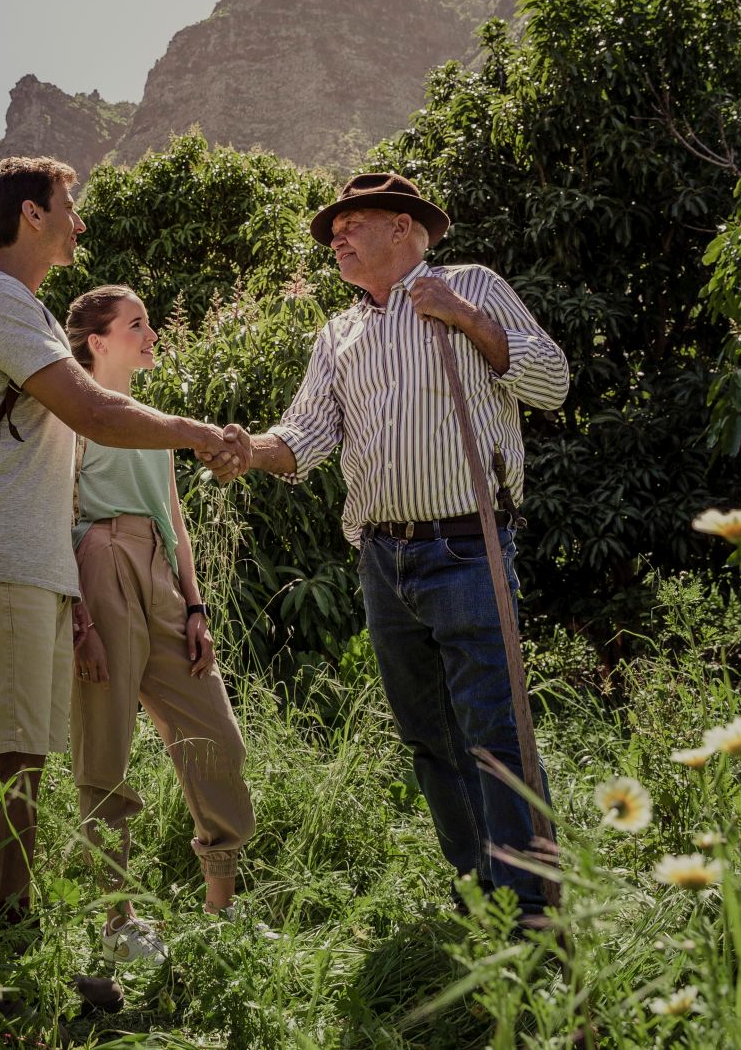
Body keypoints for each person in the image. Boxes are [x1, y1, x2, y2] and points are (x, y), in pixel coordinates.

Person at [233, 172, 569, 924]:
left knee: (497, 733)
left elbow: (552, 381)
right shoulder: (338, 332)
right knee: (429, 738)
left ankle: (535, 910)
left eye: (350, 224)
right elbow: (309, 432)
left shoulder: (471, 283)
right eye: (333, 232)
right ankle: (477, 890)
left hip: (469, 546)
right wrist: (250, 449)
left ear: (403, 226)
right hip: (383, 560)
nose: (336, 240)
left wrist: (466, 317)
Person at [0, 156, 250, 940]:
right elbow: (94, 415)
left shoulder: (29, 311)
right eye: (68, 206)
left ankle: (11, 933)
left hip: (35, 569)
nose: (79, 221)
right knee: (2, 760)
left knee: (25, 760)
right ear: (32, 215)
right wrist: (198, 432)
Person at [63, 285, 262, 965]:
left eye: (151, 323)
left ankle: (222, 907)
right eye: (137, 323)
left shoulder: (154, 422)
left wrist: (197, 605)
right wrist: (78, 617)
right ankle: (116, 924)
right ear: (98, 341)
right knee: (105, 747)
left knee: (216, 736)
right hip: (100, 564)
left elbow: (175, 521)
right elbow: (58, 519)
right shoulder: (73, 417)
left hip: (160, 573)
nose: (151, 334)